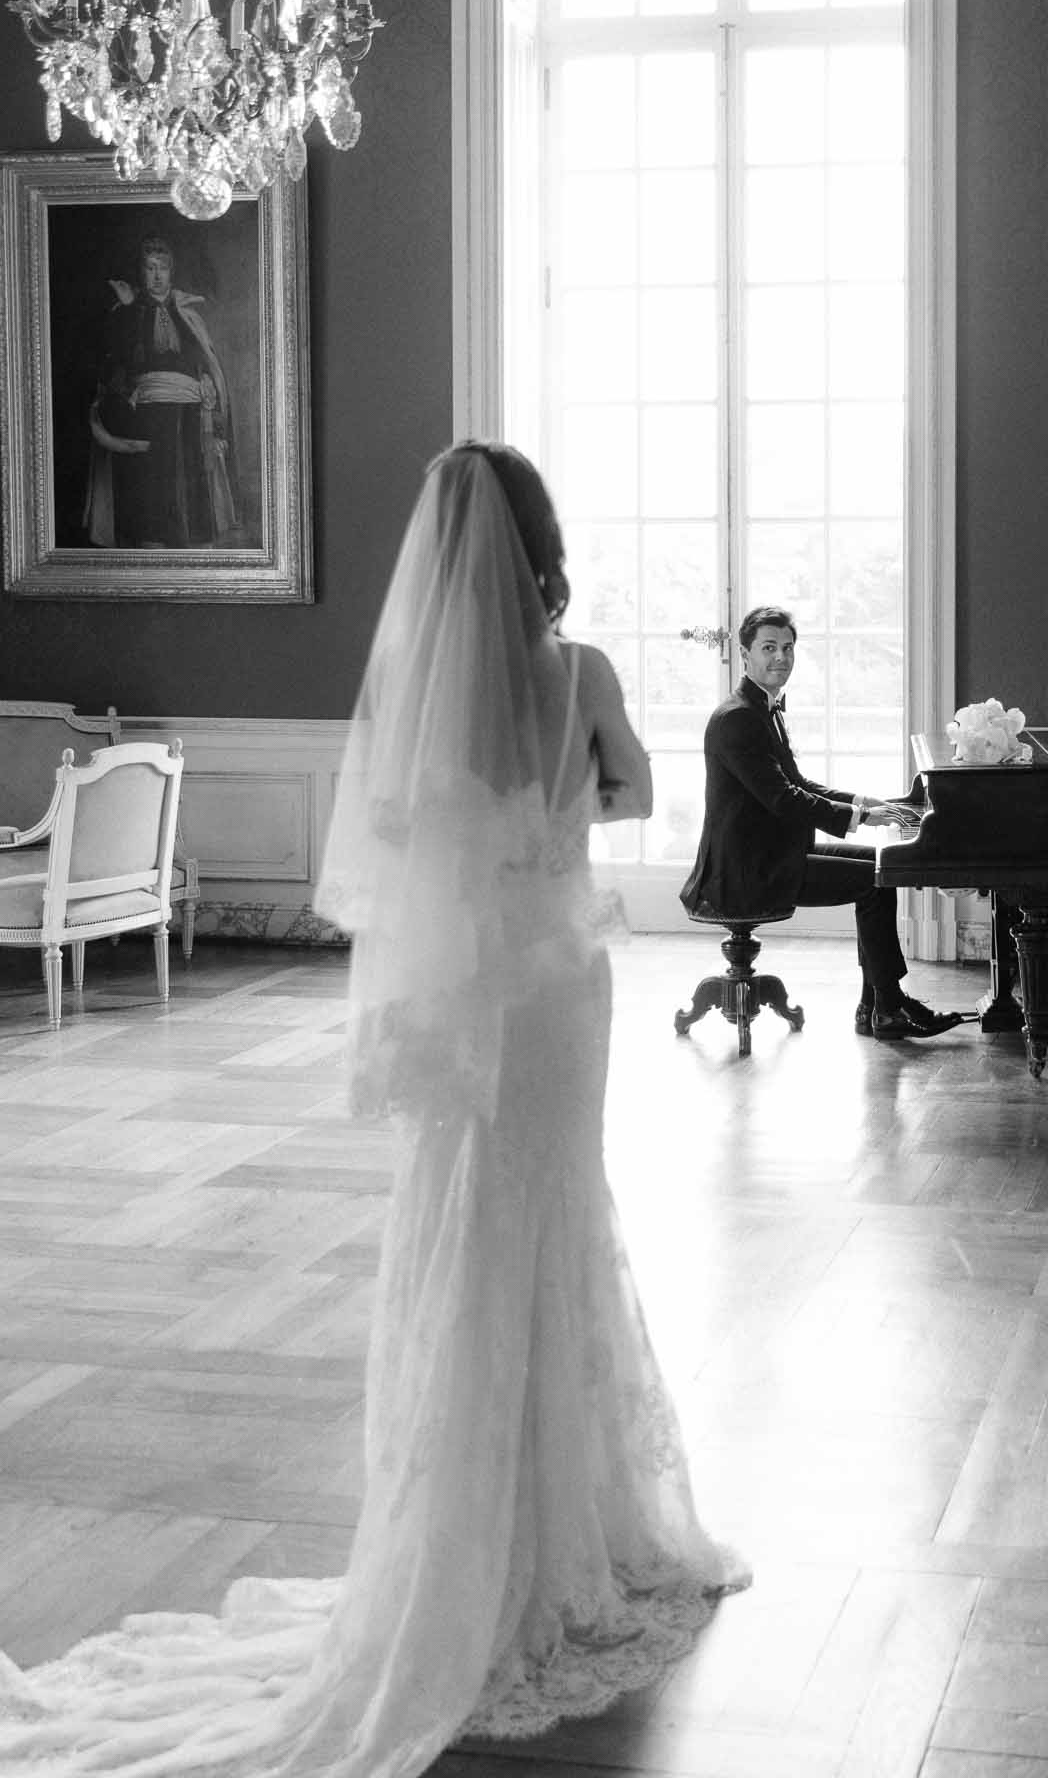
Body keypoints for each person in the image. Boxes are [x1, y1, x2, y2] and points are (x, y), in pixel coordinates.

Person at [0, 441, 746, 1775]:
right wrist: (561, 813)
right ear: (540, 544)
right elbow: (633, 793)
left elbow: (393, 852)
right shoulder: (581, 675)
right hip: (561, 988)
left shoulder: (417, 692)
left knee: (467, 1227)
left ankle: (461, 1531)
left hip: (475, 1001)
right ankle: (578, 1523)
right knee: (562, 1218)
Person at [680, 604, 969, 1041]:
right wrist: (859, 817)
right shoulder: (738, 719)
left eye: (788, 648)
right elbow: (783, 799)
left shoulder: (759, 709)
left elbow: (795, 782)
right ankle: (886, 1006)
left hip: (770, 854)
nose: (781, 658)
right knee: (875, 882)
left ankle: (876, 1004)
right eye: (769, 648)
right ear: (745, 654)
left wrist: (858, 800)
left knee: (880, 866)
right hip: (747, 872)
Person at [84, 234, 239, 549]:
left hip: (191, 408)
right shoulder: (126, 311)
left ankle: (193, 540)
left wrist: (211, 399)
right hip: (147, 409)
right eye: (149, 268)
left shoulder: (188, 314)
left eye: (162, 268)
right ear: (141, 272)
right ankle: (153, 544)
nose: (156, 276)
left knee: (190, 478)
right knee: (154, 482)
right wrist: (127, 312)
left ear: (171, 272)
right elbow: (116, 362)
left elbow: (205, 364)